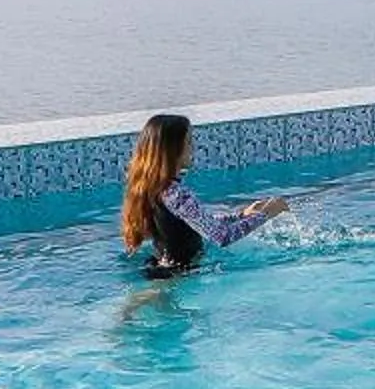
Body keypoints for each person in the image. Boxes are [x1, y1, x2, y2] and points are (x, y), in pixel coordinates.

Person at [120, 112, 288, 276]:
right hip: (176, 275)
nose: (193, 148)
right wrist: (267, 213)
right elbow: (221, 237)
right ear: (174, 150)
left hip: (162, 267)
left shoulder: (153, 187)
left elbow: (196, 223)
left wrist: (240, 215)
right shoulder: (176, 194)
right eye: (189, 142)